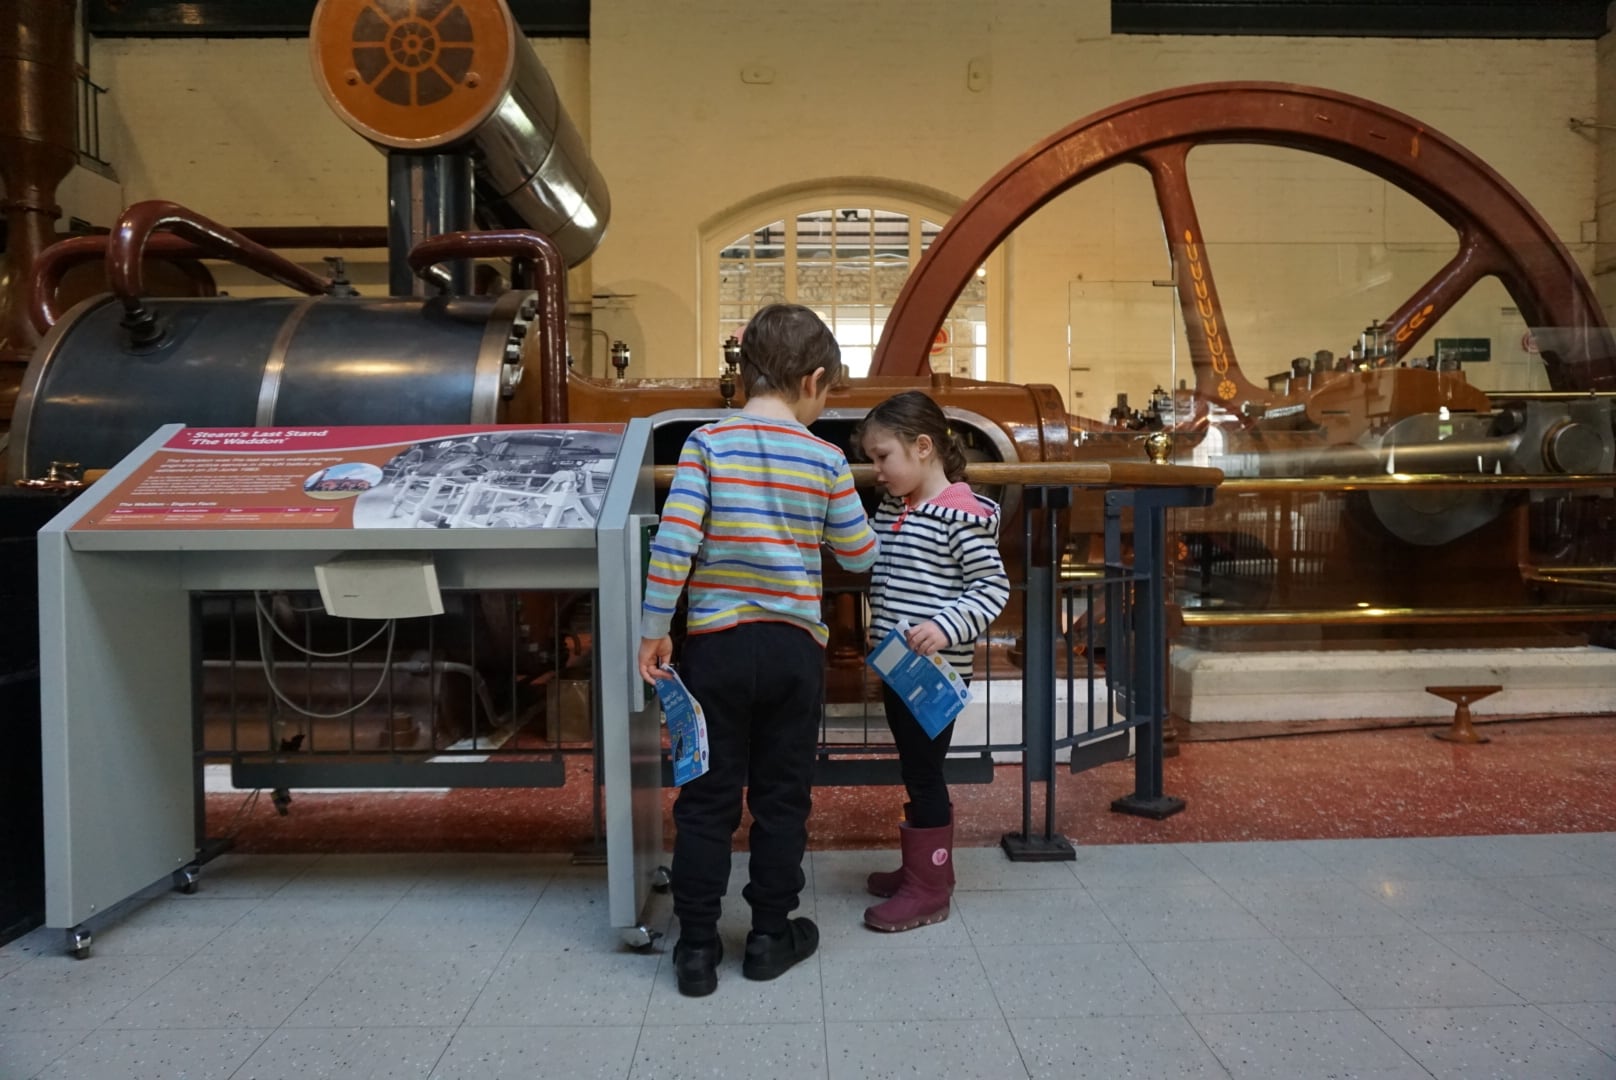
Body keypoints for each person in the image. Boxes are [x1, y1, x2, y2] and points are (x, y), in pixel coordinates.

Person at [639, 303, 877, 996]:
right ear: (815, 379)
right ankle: (771, 935)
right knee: (782, 798)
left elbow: (675, 543)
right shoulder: (827, 457)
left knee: (706, 798)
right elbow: (858, 555)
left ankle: (697, 947)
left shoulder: (707, 445)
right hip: (793, 651)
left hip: (714, 647)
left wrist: (657, 627)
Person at [856, 390, 1010, 932]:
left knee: (924, 775)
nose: (876, 470)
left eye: (882, 457)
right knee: (915, 769)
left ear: (923, 448)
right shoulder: (899, 506)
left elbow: (992, 588)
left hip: (935, 675)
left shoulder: (961, 513)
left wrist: (946, 627)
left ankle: (930, 886)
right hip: (900, 668)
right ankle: (919, 869)